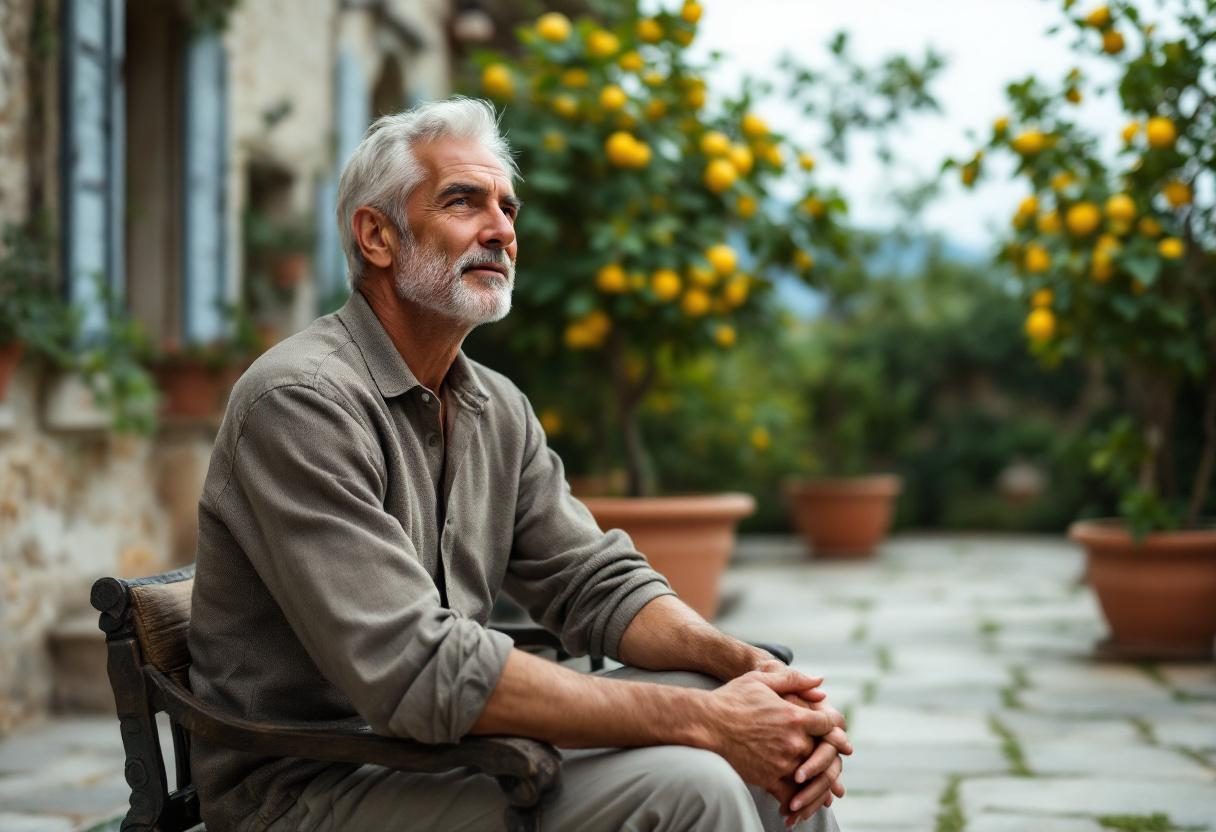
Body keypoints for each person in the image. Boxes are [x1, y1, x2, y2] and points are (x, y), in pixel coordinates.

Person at [188, 96, 850, 832]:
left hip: (439, 755)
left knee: (777, 736)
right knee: (696, 780)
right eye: (462, 201)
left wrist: (746, 668)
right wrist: (706, 721)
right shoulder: (300, 402)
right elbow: (417, 668)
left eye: (507, 208)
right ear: (377, 236)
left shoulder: (494, 407)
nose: (501, 229)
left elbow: (594, 582)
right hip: (309, 789)